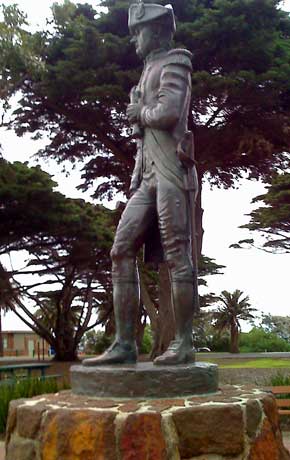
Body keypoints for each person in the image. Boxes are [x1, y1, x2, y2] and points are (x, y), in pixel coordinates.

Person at [83, 1, 198, 367]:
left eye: (139, 32)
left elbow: (167, 114)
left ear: (158, 31)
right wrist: (137, 129)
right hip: (147, 175)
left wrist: (139, 113)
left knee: (178, 256)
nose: (134, 40)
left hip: (171, 173)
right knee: (120, 250)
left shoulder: (175, 62)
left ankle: (183, 343)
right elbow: (144, 131)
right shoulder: (148, 69)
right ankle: (125, 343)